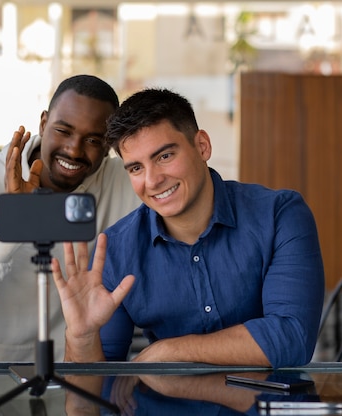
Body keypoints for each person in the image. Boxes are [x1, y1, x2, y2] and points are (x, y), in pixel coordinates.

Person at [52, 87, 325, 369]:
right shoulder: (115, 251)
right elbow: (94, 389)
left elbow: (292, 338)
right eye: (136, 168)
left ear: (202, 146)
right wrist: (82, 337)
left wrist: (169, 351)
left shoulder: (279, 214)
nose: (153, 180)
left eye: (164, 156)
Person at [0, 74, 141, 361]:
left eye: (93, 139)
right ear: (43, 123)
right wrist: (12, 221)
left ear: (109, 145)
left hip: (70, 373)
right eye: (63, 131)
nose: (73, 149)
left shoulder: (127, 181)